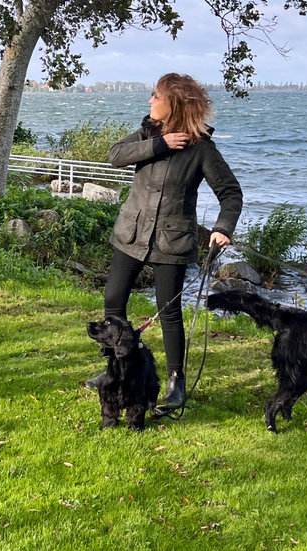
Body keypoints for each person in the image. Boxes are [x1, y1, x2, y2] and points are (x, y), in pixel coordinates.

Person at [88, 72, 243, 409]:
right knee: (113, 299)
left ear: (174, 103)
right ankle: (115, 371)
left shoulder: (203, 149)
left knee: (169, 312)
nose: (150, 101)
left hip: (171, 240)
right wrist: (160, 144)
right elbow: (115, 155)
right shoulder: (146, 134)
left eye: (155, 96)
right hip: (131, 233)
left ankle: (176, 383)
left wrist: (223, 228)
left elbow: (230, 194)